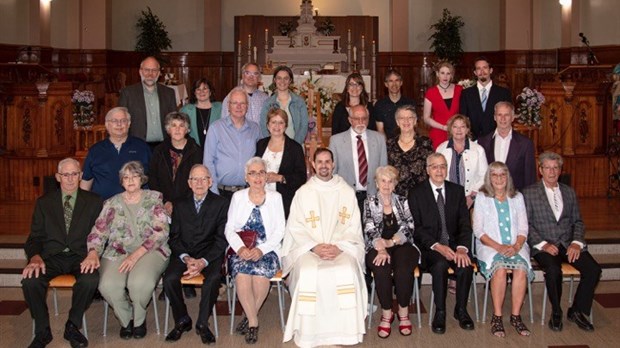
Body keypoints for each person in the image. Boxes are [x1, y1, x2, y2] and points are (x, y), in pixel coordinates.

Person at [282, 148, 367, 348]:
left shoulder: (345, 191)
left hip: (341, 248)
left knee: (345, 269)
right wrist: (314, 247)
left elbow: (353, 226)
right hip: (310, 249)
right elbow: (295, 226)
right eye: (319, 162)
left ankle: (345, 333)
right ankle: (310, 334)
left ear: (333, 164)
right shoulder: (303, 193)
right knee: (309, 271)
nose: (323, 166)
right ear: (312, 164)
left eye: (327, 161)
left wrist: (339, 247)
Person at [82, 161, 170, 340]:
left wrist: (136, 255)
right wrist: (92, 252)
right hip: (118, 252)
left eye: (135, 176)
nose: (130, 180)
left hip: (150, 251)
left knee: (139, 283)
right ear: (121, 181)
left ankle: (139, 320)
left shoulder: (154, 198)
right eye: (126, 177)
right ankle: (126, 318)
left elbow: (161, 232)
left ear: (142, 179)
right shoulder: (111, 203)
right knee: (108, 285)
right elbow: (98, 231)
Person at [22, 158, 103, 348]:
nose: (70, 179)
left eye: (74, 174)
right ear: (58, 177)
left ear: (81, 176)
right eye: (65, 174)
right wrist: (34, 257)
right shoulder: (44, 203)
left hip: (81, 256)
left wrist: (94, 252)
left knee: (90, 279)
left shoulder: (94, 201)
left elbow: (102, 233)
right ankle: (42, 331)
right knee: (30, 281)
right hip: (51, 256)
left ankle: (73, 326)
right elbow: (35, 237)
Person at [523, 151, 601, 332]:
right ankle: (556, 312)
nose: (551, 171)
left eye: (555, 168)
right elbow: (525, 224)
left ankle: (577, 310)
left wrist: (576, 242)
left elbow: (578, 221)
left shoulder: (569, 192)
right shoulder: (529, 193)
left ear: (560, 170)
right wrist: (543, 244)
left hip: (568, 244)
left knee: (593, 269)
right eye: (547, 168)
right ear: (540, 170)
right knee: (552, 270)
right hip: (544, 246)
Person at [408, 153, 474, 334]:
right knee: (439, 265)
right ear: (427, 170)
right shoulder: (416, 193)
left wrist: (461, 248)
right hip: (430, 247)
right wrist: (438, 246)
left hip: (455, 246)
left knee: (466, 265)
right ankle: (440, 311)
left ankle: (460, 310)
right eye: (435, 167)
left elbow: (464, 224)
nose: (439, 170)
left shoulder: (457, 191)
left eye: (443, 166)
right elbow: (417, 228)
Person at [163, 164, 229, 344]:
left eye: (203, 179)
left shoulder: (221, 203)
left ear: (210, 181)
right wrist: (186, 258)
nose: (199, 183)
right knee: (169, 279)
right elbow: (174, 237)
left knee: (214, 278)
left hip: (209, 254)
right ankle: (182, 319)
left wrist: (203, 261)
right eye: (195, 179)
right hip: (185, 253)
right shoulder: (180, 204)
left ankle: (202, 323)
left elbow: (222, 239)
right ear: (189, 183)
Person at [225, 157, 285, 344]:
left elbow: (280, 230)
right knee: (242, 275)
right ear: (246, 177)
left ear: (266, 176)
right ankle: (253, 321)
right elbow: (229, 228)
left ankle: (250, 318)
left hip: (267, 249)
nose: (257, 177)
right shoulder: (238, 197)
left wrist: (261, 250)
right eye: (253, 173)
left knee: (260, 276)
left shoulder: (276, 198)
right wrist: (240, 248)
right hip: (242, 247)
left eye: (261, 172)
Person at [473, 162, 534, 337]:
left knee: (521, 270)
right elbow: (478, 230)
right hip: (490, 245)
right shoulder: (483, 197)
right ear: (489, 178)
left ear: (508, 177)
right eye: (494, 175)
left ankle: (515, 316)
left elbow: (523, 228)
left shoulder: (517, 197)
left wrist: (516, 246)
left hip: (516, 245)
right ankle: (497, 317)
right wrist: (499, 246)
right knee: (499, 269)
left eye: (502, 174)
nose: (499, 178)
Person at [363, 165, 419, 338]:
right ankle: (387, 312)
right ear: (377, 183)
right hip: (376, 245)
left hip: (402, 244)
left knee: (403, 269)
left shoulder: (403, 201)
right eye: (383, 181)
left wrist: (391, 241)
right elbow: (369, 228)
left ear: (395, 184)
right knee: (381, 269)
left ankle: (403, 311)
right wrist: (381, 247)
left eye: (390, 181)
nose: (386, 185)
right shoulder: (369, 202)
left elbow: (409, 227)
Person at [80, 107, 151, 200]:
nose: (119, 124)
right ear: (107, 124)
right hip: (102, 207)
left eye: (123, 120)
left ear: (129, 124)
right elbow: (86, 182)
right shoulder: (95, 150)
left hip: (137, 208)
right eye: (114, 121)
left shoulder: (142, 147)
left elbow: (154, 177)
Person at [329, 105, 387, 219]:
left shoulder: (379, 139)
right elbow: (333, 173)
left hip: (372, 197)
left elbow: (383, 170)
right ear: (350, 120)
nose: (361, 122)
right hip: (346, 198)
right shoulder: (336, 141)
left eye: (364, 118)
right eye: (356, 119)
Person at [203, 87, 261, 199]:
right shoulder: (216, 128)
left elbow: (260, 159)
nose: (239, 107)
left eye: (242, 103)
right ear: (228, 106)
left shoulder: (255, 129)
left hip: (248, 192)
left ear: (247, 106)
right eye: (235, 103)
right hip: (221, 193)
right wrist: (214, 192)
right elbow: (208, 161)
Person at [255, 108, 307, 218]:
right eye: (273, 122)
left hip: (284, 202)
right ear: (268, 126)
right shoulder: (260, 144)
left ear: (286, 126)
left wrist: (280, 178)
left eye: (281, 122)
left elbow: (301, 177)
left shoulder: (295, 148)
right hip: (260, 199)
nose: (277, 126)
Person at [149, 111, 203, 217]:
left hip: (188, 205)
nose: (177, 129)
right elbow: (153, 178)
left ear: (187, 130)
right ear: (168, 129)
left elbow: (197, 180)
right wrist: (165, 201)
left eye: (181, 125)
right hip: (163, 205)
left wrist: (178, 204)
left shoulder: (195, 150)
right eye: (173, 125)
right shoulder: (159, 150)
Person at [119, 56, 177, 148]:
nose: (150, 74)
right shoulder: (128, 93)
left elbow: (174, 120)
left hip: (163, 146)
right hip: (137, 145)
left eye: (154, 70)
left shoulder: (169, 93)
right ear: (140, 71)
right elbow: (121, 121)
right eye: (147, 70)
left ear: (159, 73)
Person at [477, 102, 536, 191]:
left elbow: (530, 177)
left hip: (515, 196)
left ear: (512, 117)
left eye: (507, 115)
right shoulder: (483, 142)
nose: (503, 118)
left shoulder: (525, 143)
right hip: (490, 195)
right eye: (499, 115)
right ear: (494, 117)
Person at [436, 114, 488, 209]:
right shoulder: (441, 149)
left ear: (467, 129)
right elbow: (436, 175)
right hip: (447, 200)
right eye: (455, 127)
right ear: (450, 129)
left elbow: (484, 175)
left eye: (462, 126)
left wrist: (472, 197)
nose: (459, 130)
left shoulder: (478, 150)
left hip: (472, 201)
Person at [459, 56, 512, 139]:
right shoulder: (466, 94)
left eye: (485, 68)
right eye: (478, 69)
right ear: (475, 72)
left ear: (491, 70)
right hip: (474, 140)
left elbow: (508, 118)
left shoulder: (503, 93)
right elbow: (463, 118)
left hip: (497, 138)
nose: (482, 71)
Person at [387, 105, 434, 197]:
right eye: (402, 118)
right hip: (395, 197)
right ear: (397, 122)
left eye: (410, 117)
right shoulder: (389, 144)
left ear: (415, 120)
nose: (406, 121)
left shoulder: (426, 143)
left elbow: (431, 170)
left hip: (421, 197)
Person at [259, 65, 308, 145]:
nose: (282, 81)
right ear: (274, 80)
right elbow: (264, 126)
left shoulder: (299, 102)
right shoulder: (268, 103)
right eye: (279, 78)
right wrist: (273, 144)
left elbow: (304, 126)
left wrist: (295, 146)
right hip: (274, 147)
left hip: (295, 146)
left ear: (290, 80)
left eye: (286, 78)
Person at [423, 61, 463, 149]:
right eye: (442, 73)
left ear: (452, 75)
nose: (445, 76)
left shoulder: (459, 90)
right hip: (438, 133)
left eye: (448, 73)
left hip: (457, 132)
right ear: (437, 74)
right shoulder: (431, 92)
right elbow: (426, 118)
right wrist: (443, 127)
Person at [180, 78, 222, 148]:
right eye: (198, 89)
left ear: (210, 92)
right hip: (193, 151)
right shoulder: (186, 110)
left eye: (205, 89)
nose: (201, 92)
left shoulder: (220, 108)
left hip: (216, 149)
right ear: (194, 92)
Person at [374, 69, 415, 139]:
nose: (394, 84)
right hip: (388, 145)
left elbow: (413, 127)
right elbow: (380, 131)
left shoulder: (410, 103)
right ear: (386, 84)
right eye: (391, 81)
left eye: (397, 80)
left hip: (408, 142)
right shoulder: (380, 105)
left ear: (401, 83)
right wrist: (387, 148)